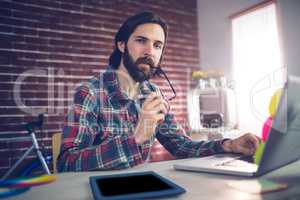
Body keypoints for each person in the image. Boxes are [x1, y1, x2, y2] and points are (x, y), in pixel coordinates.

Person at [57, 11, 260, 172]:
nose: (149, 51)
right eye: (141, 40)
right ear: (121, 44)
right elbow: (67, 163)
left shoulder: (153, 94)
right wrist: (136, 138)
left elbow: (181, 146)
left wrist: (228, 145)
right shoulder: (90, 93)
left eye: (157, 45)